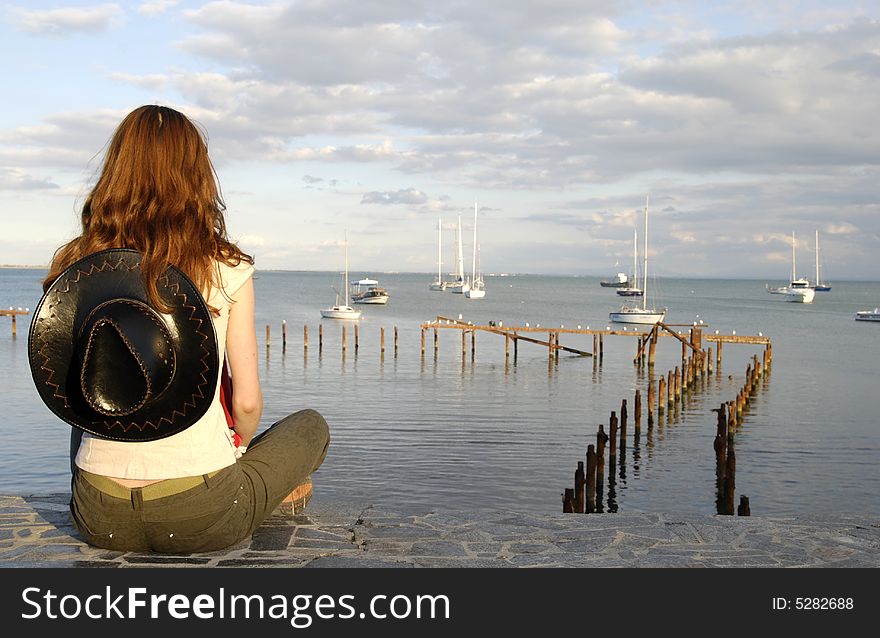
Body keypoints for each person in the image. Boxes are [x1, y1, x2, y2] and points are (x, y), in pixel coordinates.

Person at [29, 105, 329, 554]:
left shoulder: (79, 264)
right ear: (196, 176)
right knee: (311, 427)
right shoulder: (227, 268)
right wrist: (236, 448)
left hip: (98, 516)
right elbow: (246, 403)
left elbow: (65, 397)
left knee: (99, 386)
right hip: (202, 514)